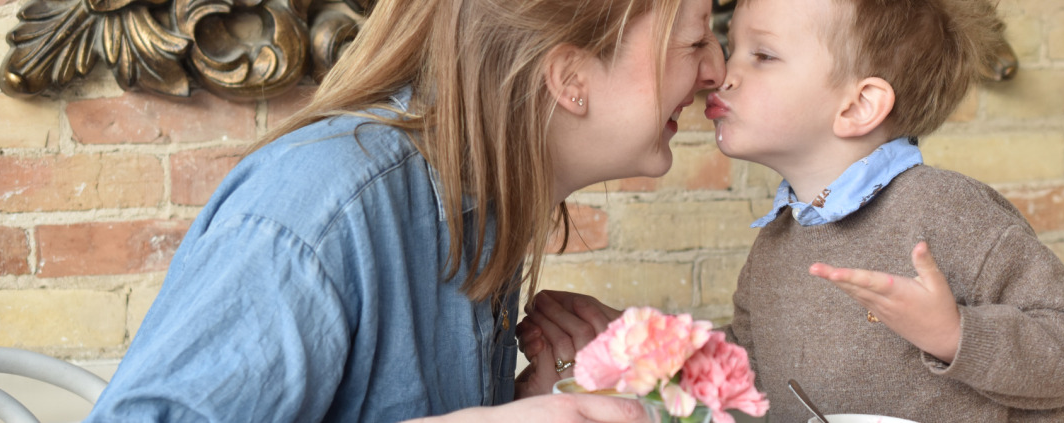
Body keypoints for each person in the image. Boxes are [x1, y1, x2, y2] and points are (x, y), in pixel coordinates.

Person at [82, 0, 724, 421]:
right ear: (570, 78)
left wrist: (528, 401)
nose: (716, 70)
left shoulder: (480, 208)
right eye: (695, 40)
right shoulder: (323, 210)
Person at [519, 0, 1064, 421]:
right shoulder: (780, 242)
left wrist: (955, 334)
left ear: (859, 106)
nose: (723, 74)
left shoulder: (951, 212)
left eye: (763, 56)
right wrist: (643, 344)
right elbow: (755, 364)